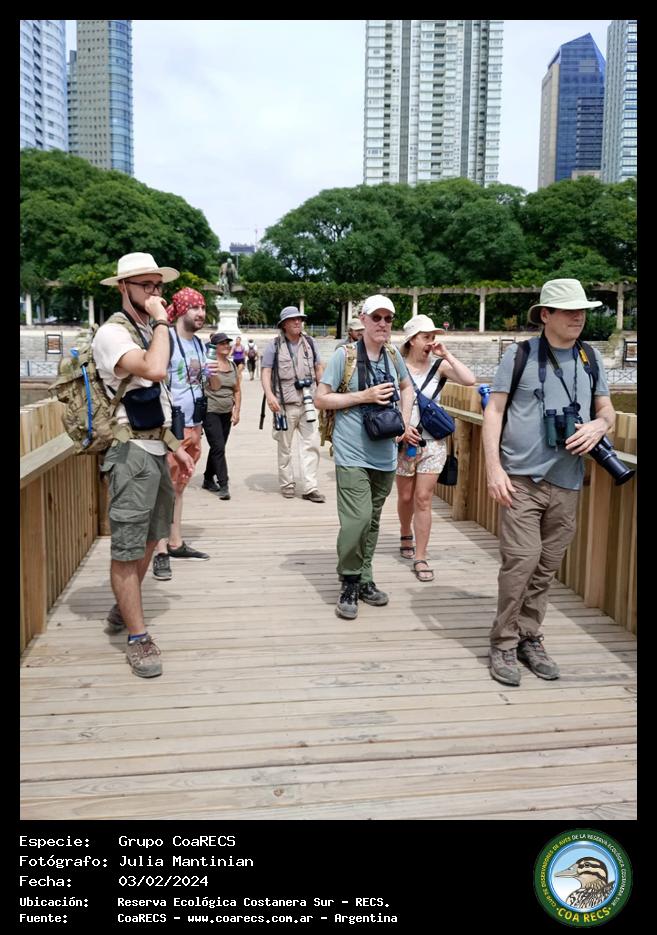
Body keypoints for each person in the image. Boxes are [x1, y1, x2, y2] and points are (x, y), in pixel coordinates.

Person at [482, 278, 615, 687]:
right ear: (546, 314)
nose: (579, 317)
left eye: (582, 311)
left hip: (568, 480)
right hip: (521, 480)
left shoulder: (591, 357)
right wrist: (494, 470)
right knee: (522, 561)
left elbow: (607, 409)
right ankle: (503, 642)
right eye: (570, 310)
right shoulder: (520, 355)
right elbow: (494, 411)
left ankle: (528, 636)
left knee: (545, 567)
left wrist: (599, 425)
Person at [93, 252, 196, 677]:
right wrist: (161, 320)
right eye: (146, 285)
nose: (155, 293)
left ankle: (125, 604)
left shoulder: (144, 330)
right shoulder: (113, 334)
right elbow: (154, 370)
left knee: (153, 538)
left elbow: (156, 401)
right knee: (128, 547)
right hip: (130, 455)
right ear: (123, 287)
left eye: (158, 286)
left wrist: (174, 445)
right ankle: (138, 638)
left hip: (154, 449)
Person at [315, 295, 416, 619]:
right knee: (356, 519)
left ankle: (364, 578)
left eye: (388, 319)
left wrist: (404, 422)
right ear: (363, 319)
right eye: (377, 318)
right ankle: (348, 580)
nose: (383, 324)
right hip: (351, 452)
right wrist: (364, 396)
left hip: (385, 452)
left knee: (371, 520)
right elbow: (321, 398)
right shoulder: (343, 356)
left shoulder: (393, 355)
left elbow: (407, 388)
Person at [396, 315, 475, 581]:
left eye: (433, 337)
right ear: (412, 340)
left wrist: (447, 355)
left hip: (433, 443)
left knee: (423, 498)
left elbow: (469, 380)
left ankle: (421, 556)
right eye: (426, 337)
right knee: (405, 496)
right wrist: (401, 429)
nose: (431, 342)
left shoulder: (439, 367)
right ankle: (405, 532)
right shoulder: (397, 367)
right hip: (404, 442)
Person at [151, 288, 220, 580]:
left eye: (203, 308)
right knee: (163, 489)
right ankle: (160, 551)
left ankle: (175, 542)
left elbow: (211, 386)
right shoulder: (166, 340)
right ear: (181, 310)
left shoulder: (201, 346)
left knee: (179, 486)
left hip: (194, 425)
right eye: (195, 308)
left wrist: (213, 373)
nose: (201, 313)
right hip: (171, 427)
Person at [261, 307, 326, 502]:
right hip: (284, 405)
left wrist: (323, 392)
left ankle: (310, 487)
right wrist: (269, 395)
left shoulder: (310, 343)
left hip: (308, 404)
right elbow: (266, 372)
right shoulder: (274, 345)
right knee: (285, 447)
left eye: (299, 319)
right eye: (293, 320)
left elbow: (319, 368)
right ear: (284, 325)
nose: (298, 322)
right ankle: (287, 484)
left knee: (311, 445)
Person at [202, 332, 241, 500]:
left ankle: (207, 478)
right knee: (218, 447)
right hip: (210, 411)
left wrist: (237, 410)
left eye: (227, 343)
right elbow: (212, 386)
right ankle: (223, 484)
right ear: (215, 347)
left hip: (226, 412)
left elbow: (237, 389)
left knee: (218, 447)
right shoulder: (209, 366)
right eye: (222, 343)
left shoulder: (232, 366)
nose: (226, 346)